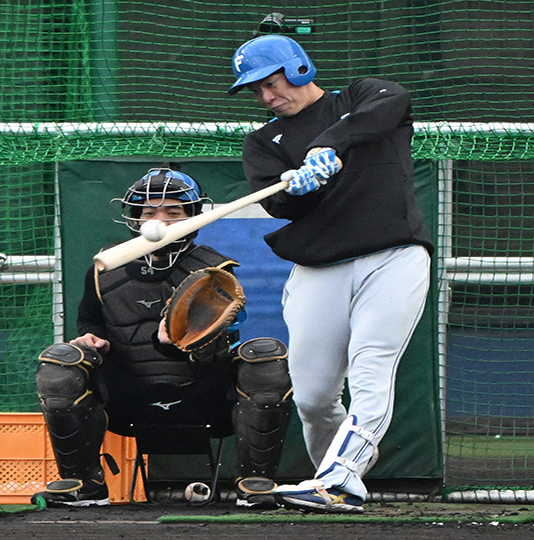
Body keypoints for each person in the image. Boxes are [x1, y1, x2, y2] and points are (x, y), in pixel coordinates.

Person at [227, 35, 434, 513]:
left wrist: (329, 143)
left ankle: (341, 478)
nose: (266, 96)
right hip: (319, 268)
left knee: (371, 365)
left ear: (298, 68)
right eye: (255, 91)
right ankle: (332, 481)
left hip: (393, 257)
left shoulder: (359, 98)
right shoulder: (263, 142)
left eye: (269, 82)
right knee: (315, 396)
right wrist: (301, 188)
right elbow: (278, 204)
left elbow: (393, 103)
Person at [34, 164, 293, 508]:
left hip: (203, 397)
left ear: (193, 217)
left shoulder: (215, 271)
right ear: (135, 218)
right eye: (150, 212)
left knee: (265, 355)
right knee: (60, 361)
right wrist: (92, 340)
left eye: (173, 212)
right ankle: (84, 485)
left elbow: (213, 349)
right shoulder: (105, 266)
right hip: (126, 396)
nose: (160, 220)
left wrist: (171, 342)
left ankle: (254, 483)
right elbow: (90, 321)